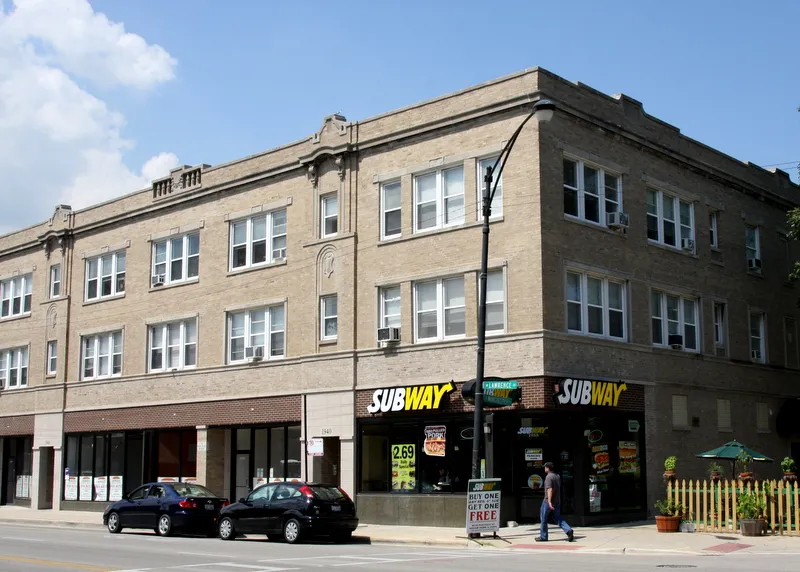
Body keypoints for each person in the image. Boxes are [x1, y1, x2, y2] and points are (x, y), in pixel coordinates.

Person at [535, 462, 574, 542]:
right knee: (557, 517)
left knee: (543, 518)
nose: (544, 468)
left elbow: (550, 489)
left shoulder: (549, 477)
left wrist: (549, 501)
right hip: (557, 501)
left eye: (545, 467)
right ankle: (568, 530)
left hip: (548, 501)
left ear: (548, 468)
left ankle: (543, 537)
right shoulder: (557, 476)